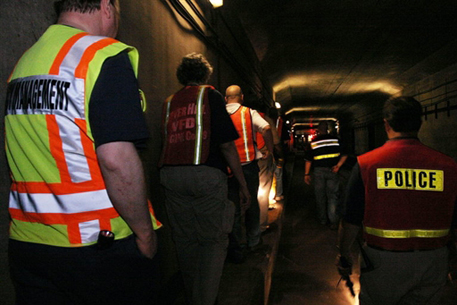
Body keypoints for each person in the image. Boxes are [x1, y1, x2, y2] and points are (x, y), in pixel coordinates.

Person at [4, 1, 161, 304]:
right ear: (106, 7)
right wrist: (145, 233)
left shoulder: (24, 64)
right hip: (97, 246)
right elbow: (116, 160)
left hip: (29, 245)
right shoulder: (102, 56)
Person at [337, 96, 457, 304]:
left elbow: (351, 218)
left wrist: (345, 255)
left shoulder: (367, 164)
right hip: (434, 259)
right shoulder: (448, 166)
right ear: (419, 123)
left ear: (386, 124)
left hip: (383, 261)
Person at [159, 53, 250, 305]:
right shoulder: (210, 96)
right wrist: (242, 184)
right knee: (213, 241)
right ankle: (205, 300)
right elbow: (227, 146)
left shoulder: (170, 102)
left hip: (171, 176)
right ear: (205, 75)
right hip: (205, 175)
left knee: (185, 241)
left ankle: (193, 297)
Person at [225, 85, 275, 261]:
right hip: (247, 166)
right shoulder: (248, 113)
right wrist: (270, 150)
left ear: (226, 98)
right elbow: (266, 129)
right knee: (251, 203)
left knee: (233, 207)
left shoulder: (219, 113)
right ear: (241, 97)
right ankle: (253, 242)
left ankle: (236, 248)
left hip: (227, 168)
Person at [304, 120, 347, 229]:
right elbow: (345, 154)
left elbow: (308, 160)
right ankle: (333, 221)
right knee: (332, 196)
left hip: (319, 172)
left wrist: (306, 174)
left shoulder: (313, 142)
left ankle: (323, 220)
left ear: (318, 130)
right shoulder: (336, 140)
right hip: (333, 170)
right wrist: (338, 165)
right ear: (328, 129)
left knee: (320, 196)